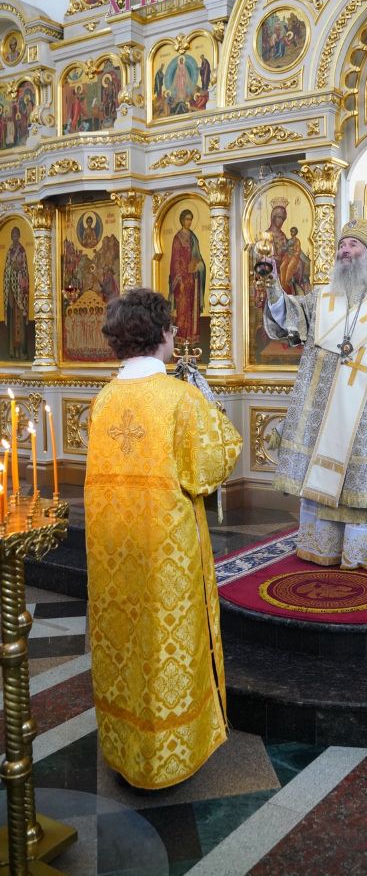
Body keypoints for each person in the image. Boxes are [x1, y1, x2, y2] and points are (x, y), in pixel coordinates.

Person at [84, 288, 242, 788]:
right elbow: (209, 468)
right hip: (166, 550)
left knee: (123, 641)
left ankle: (125, 746)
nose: (175, 335)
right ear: (161, 334)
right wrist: (214, 413)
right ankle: (171, 753)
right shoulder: (180, 397)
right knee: (167, 641)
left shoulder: (105, 398)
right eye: (172, 327)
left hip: (113, 548)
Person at [265, 218, 367, 572]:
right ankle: (321, 546)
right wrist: (273, 286)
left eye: (352, 245)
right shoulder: (323, 298)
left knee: (361, 480)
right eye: (341, 245)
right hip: (324, 409)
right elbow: (288, 318)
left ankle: (361, 553)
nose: (344, 251)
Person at [169, 207, 206, 344]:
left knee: (192, 309)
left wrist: (198, 266)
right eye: (187, 219)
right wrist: (180, 280)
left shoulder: (193, 238)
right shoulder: (177, 238)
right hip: (182, 280)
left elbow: (198, 258)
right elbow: (175, 261)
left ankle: (192, 339)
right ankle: (180, 340)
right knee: (182, 310)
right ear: (182, 220)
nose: (189, 222)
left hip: (193, 279)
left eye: (191, 219)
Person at [3, 226, 29, 360]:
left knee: (20, 321)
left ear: (19, 236)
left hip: (20, 292)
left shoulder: (22, 250)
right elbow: (6, 268)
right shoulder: (9, 251)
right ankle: (12, 350)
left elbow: (25, 269)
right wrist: (10, 269)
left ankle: (22, 351)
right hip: (11, 292)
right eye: (12, 235)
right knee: (12, 320)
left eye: (16, 235)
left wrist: (18, 269)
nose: (14, 238)